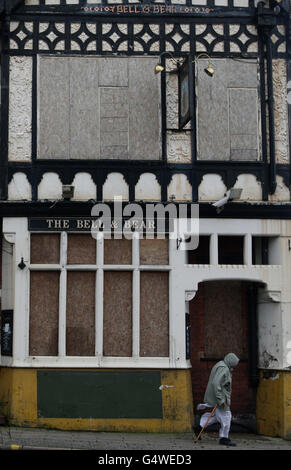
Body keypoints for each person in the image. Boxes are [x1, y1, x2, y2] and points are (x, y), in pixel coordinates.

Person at [194, 352, 240, 447]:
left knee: (215, 416)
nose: (234, 368)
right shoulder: (224, 369)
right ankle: (224, 438)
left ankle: (199, 427)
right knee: (226, 416)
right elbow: (216, 383)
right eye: (234, 365)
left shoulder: (220, 364)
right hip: (221, 398)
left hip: (217, 397)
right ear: (231, 362)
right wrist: (221, 400)